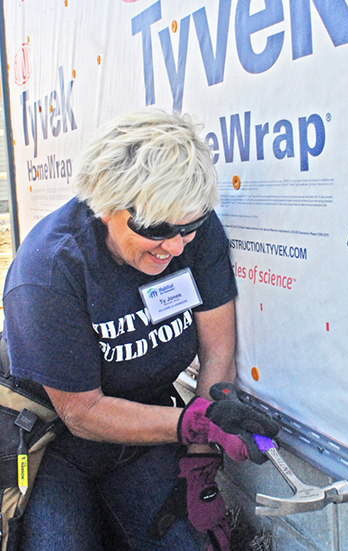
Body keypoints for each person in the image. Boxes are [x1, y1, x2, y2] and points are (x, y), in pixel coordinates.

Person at [2, 109, 278, 551]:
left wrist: (201, 457)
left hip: (144, 424)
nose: (174, 246)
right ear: (107, 204)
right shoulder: (49, 270)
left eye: (187, 228)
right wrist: (195, 425)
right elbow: (82, 413)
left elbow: (217, 353)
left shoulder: (197, 234)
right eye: (157, 229)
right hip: (52, 441)